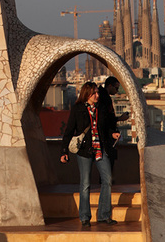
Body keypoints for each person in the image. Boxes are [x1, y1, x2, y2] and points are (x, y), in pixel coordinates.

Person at [60, 81, 120, 228]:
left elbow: (106, 127)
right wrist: (63, 151)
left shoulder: (101, 108)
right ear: (87, 94)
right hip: (85, 151)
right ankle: (85, 217)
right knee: (85, 184)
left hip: (101, 149)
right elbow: (69, 131)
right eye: (94, 93)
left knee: (107, 180)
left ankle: (104, 215)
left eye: (97, 93)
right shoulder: (78, 109)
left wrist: (112, 133)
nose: (97, 95)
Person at [98, 76, 129, 170]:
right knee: (107, 167)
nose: (117, 91)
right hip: (106, 137)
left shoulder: (104, 96)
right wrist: (119, 118)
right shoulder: (104, 98)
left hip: (107, 135)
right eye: (116, 88)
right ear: (110, 86)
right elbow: (104, 119)